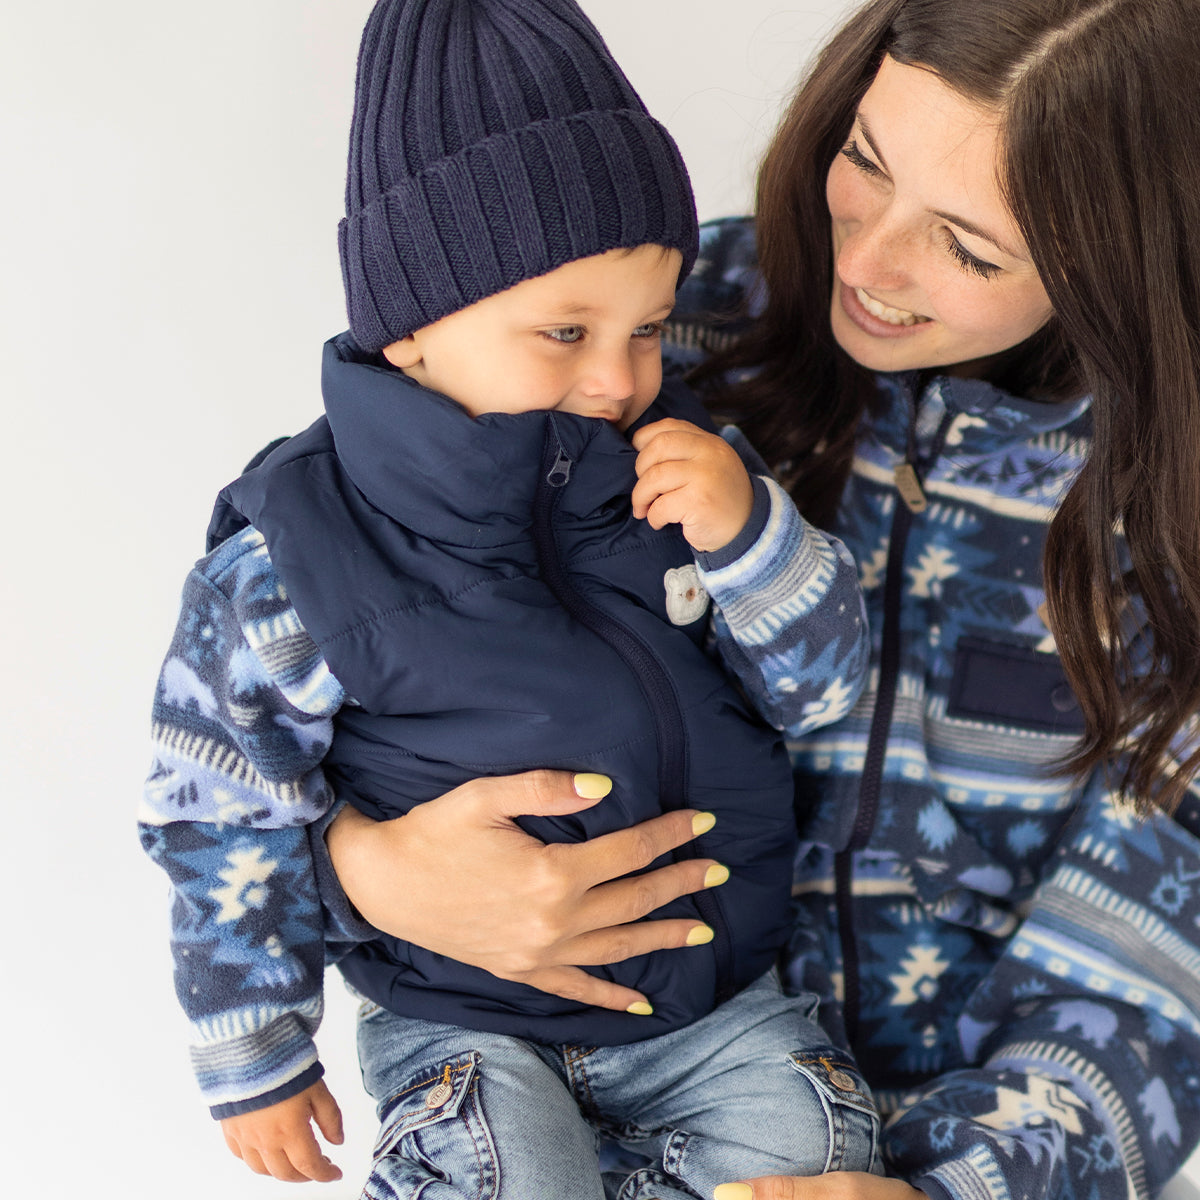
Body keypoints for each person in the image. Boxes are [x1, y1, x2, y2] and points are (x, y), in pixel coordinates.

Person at [317, 0, 1200, 1198]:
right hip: (547, 1134)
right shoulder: (637, 329)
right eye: (865, 161)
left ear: (1128, 257)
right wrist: (359, 870)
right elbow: (350, 645)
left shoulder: (1171, 509)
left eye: (971, 248)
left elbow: (1161, 948)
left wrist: (962, 1187)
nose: (870, 262)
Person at [139, 1, 879, 1197]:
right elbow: (216, 806)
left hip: (716, 1009)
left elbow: (824, 691)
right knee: (500, 1173)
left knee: (815, 1158)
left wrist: (753, 540)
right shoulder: (297, 554)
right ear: (414, 327)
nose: (617, 377)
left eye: (646, 329)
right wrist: (258, 1055)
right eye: (566, 331)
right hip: (468, 1025)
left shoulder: (683, 475)